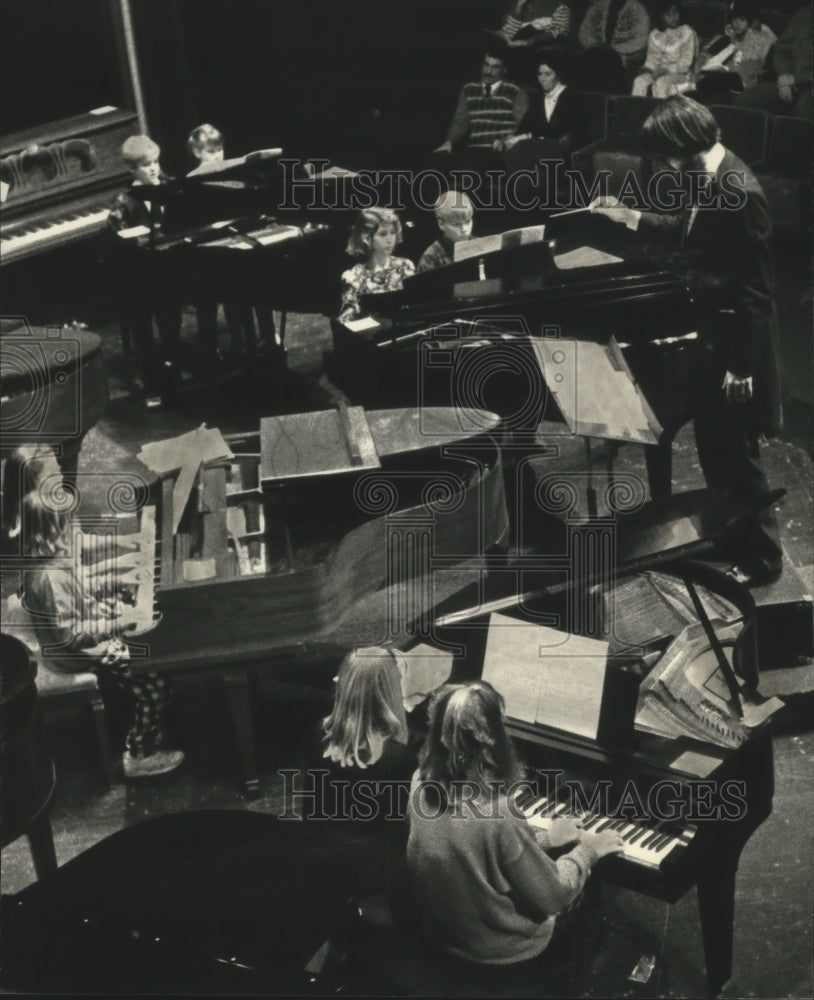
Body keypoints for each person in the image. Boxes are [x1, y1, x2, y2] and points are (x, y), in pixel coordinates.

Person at [591, 95, 783, 585]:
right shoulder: (707, 177)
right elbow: (688, 231)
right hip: (713, 338)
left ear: (685, 144)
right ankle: (732, 537)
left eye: (664, 153)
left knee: (738, 458)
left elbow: (757, 293)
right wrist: (628, 216)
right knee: (716, 451)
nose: (662, 164)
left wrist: (741, 367)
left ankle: (763, 559)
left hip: (736, 351)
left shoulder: (741, 191)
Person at [406, 682, 623, 988]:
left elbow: (474, 846)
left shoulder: (420, 782)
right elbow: (555, 897)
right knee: (587, 890)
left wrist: (546, 839)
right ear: (491, 737)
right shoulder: (498, 813)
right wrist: (588, 850)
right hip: (504, 951)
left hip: (446, 934)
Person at [6, 446, 184, 777]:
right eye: (53, 475)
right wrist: (118, 621)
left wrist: (129, 551)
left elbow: (80, 546)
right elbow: (71, 636)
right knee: (155, 676)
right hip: (74, 649)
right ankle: (139, 754)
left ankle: (140, 707)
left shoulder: (47, 525)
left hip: (82, 620)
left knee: (136, 624)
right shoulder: (49, 575)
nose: (61, 480)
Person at [186, 124, 280, 367]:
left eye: (219, 150)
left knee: (260, 275)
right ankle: (236, 343)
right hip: (210, 245)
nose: (217, 156)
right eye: (210, 152)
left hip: (237, 237)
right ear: (197, 153)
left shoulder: (235, 173)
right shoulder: (192, 180)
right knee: (229, 286)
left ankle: (269, 338)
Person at [305, 646, 418, 834]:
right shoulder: (400, 758)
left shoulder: (320, 734)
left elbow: (311, 812)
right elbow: (399, 832)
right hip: (372, 859)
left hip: (324, 851)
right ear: (390, 689)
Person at [106, 135, 183, 407]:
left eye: (155, 162)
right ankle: (152, 380)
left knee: (171, 319)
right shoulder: (124, 202)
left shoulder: (168, 190)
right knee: (144, 328)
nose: (153, 169)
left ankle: (174, 370)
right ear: (132, 170)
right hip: (139, 277)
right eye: (146, 165)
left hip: (166, 271)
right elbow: (116, 239)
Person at [433, 43, 530, 172]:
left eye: (495, 67)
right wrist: (449, 142)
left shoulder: (516, 91)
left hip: (501, 151)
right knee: (433, 164)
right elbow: (460, 121)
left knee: (473, 169)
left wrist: (504, 142)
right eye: (486, 65)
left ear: (504, 70)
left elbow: (520, 125)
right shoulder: (469, 89)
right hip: (474, 149)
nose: (488, 71)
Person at [735, 2, 813, 120]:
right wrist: (784, 76)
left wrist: (796, 79)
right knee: (744, 101)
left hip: (807, 85)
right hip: (791, 82)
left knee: (804, 108)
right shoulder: (805, 15)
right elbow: (781, 50)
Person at [338, 208, 415, 322]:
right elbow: (346, 321)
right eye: (383, 234)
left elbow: (415, 306)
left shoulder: (405, 266)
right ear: (367, 238)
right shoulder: (354, 277)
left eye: (393, 232)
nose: (390, 239)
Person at [694, 1, 776, 102]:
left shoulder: (756, 40)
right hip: (726, 79)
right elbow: (709, 54)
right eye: (734, 19)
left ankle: (692, 91)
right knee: (709, 80)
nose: (737, 24)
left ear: (749, 21)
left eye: (742, 20)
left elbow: (748, 68)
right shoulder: (729, 38)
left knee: (716, 79)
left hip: (744, 81)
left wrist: (726, 69)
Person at [577, 0, 651, 92]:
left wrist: (616, 49)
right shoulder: (597, 6)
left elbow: (642, 38)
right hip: (596, 51)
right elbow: (584, 32)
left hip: (621, 53)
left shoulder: (637, 9)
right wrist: (595, 46)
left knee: (609, 63)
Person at [632, 1, 698, 98]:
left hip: (680, 74)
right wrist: (648, 70)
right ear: (661, 16)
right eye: (668, 15)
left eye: (676, 12)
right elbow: (652, 60)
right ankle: (638, 111)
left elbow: (685, 64)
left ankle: (661, 112)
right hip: (658, 73)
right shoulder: (655, 35)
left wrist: (666, 70)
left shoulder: (687, 32)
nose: (674, 17)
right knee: (639, 81)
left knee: (661, 83)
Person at [416, 191, 474, 273]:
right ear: (441, 224)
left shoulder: (483, 245)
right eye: (456, 224)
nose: (464, 229)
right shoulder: (431, 257)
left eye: (467, 222)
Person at [497, 0, 572, 47]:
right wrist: (518, 7)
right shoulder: (515, 4)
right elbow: (509, 37)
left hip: (544, 57)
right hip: (516, 55)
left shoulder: (560, 6)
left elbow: (559, 34)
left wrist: (528, 42)